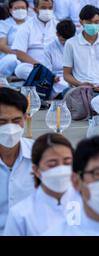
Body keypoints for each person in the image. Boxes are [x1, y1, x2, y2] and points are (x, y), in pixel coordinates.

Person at [3, 133, 81, 236]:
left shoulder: (87, 203)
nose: (61, 169)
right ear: (36, 170)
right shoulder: (21, 215)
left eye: (67, 163)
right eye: (52, 165)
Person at [0, 87, 34, 235]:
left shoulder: (41, 157)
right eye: (2, 122)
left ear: (25, 118)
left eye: (16, 120)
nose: (10, 127)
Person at [63, 5, 99, 91]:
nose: (93, 25)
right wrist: (79, 84)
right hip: (80, 90)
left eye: (96, 22)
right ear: (81, 22)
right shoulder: (71, 44)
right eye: (89, 22)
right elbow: (66, 74)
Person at [12, 0, 57, 80]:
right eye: (43, 8)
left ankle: (50, 79)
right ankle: (50, 78)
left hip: (55, 65)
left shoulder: (58, 25)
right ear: (35, 9)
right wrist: (41, 68)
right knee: (20, 69)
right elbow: (20, 54)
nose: (47, 10)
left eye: (50, 8)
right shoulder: (26, 27)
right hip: (35, 66)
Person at [42, 19, 76, 99]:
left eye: (69, 40)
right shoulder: (49, 48)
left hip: (76, 77)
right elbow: (47, 70)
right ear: (57, 34)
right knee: (64, 85)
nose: (67, 43)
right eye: (64, 40)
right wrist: (52, 77)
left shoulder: (77, 44)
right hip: (59, 79)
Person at [0, 0, 29, 77]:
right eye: (16, 8)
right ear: (10, 10)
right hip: (11, 56)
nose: (20, 10)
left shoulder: (33, 22)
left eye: (23, 8)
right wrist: (20, 55)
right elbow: (2, 46)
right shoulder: (4, 24)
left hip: (31, 56)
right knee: (12, 59)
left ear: (27, 9)